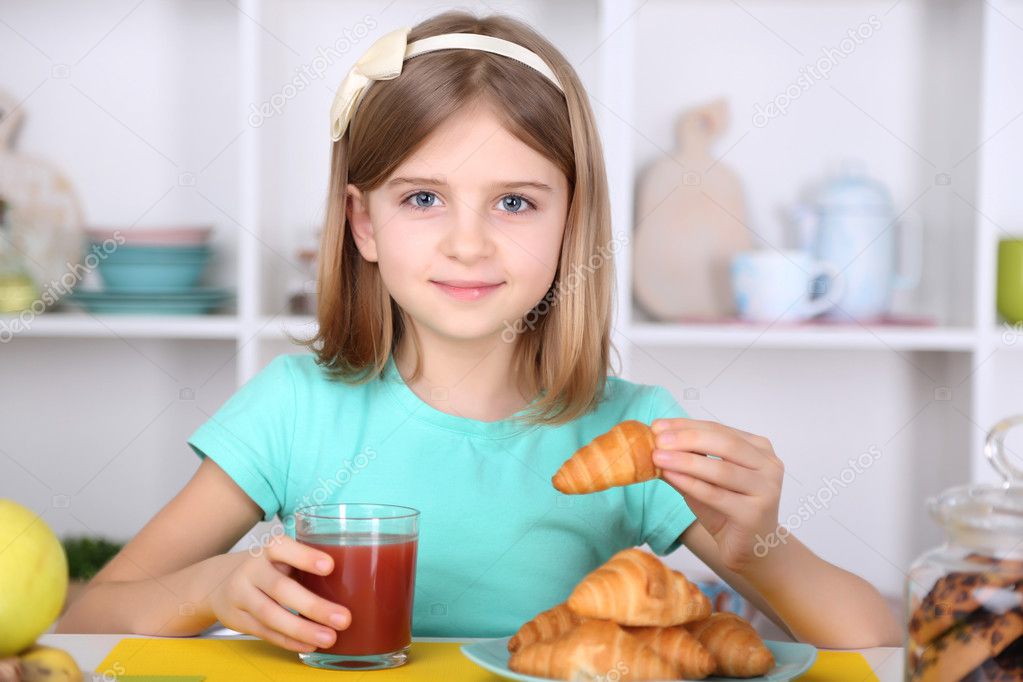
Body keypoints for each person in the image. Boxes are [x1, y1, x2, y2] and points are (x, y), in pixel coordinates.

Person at [58, 10, 901, 652]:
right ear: (362, 224)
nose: (468, 241)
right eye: (422, 198)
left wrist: (757, 548)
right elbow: (88, 618)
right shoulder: (293, 410)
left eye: (515, 202)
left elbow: (875, 642)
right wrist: (214, 588)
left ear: (572, 224)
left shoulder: (633, 433)